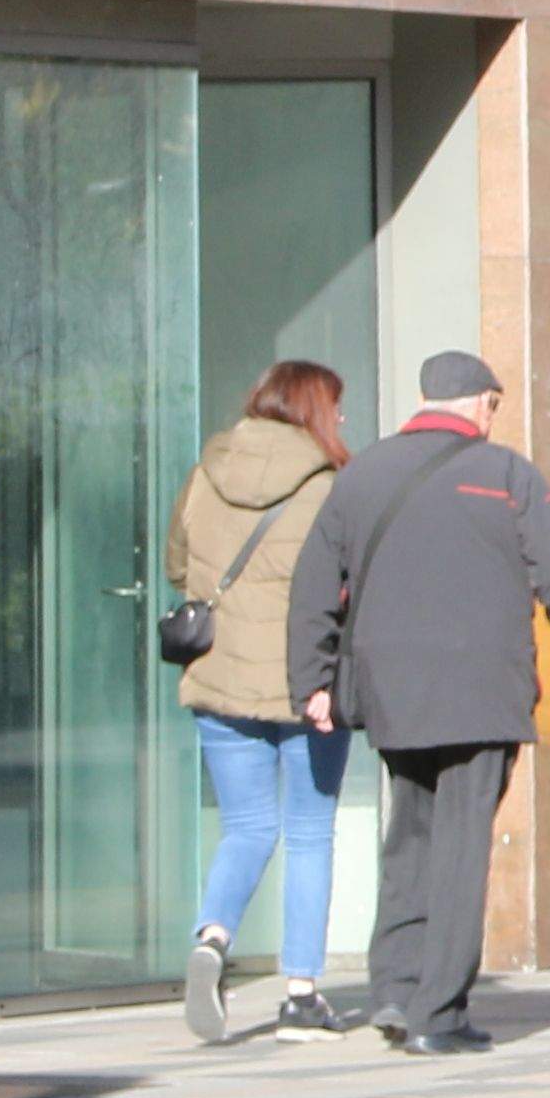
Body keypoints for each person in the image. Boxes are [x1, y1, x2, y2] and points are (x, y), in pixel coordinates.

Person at [294, 349, 550, 1057]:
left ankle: (395, 990)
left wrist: (310, 681)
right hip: (482, 689)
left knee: (410, 837)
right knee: (462, 845)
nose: (495, 418)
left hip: (393, 689)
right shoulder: (507, 475)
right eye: (494, 405)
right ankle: (439, 1013)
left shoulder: (361, 474)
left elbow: (315, 584)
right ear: (481, 403)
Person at [168, 361, 353, 1045]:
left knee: (246, 827)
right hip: (308, 686)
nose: (342, 422)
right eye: (336, 409)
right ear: (312, 411)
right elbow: (345, 584)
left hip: (219, 679)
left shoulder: (205, 470)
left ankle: (213, 938)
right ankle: (301, 997)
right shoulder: (327, 487)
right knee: (308, 831)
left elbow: (177, 565)